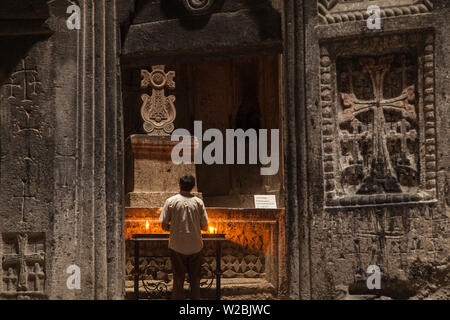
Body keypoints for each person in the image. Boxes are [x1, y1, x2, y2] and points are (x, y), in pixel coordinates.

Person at [159, 174, 209, 299]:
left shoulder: (171, 201)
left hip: (177, 245)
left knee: (178, 279)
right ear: (193, 187)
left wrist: (175, 228)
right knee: (195, 280)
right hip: (195, 246)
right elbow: (205, 227)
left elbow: (164, 225)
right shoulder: (198, 202)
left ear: (179, 185)